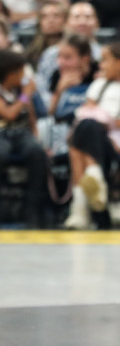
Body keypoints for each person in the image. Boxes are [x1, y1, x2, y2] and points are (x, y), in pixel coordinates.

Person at [64, 42, 120, 230]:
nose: (101, 65)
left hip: (116, 142)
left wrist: (107, 121)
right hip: (92, 135)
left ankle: (79, 211)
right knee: (86, 128)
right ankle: (94, 176)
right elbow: (86, 111)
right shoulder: (98, 85)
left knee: (82, 138)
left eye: (105, 60)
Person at [0, 50, 48, 228]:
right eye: (20, 72)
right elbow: (9, 114)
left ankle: (31, 210)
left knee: (36, 152)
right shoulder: (20, 93)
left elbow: (31, 117)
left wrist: (37, 138)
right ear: (9, 73)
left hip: (22, 133)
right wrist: (26, 95)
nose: (23, 76)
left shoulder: (20, 91)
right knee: (2, 152)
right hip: (2, 132)